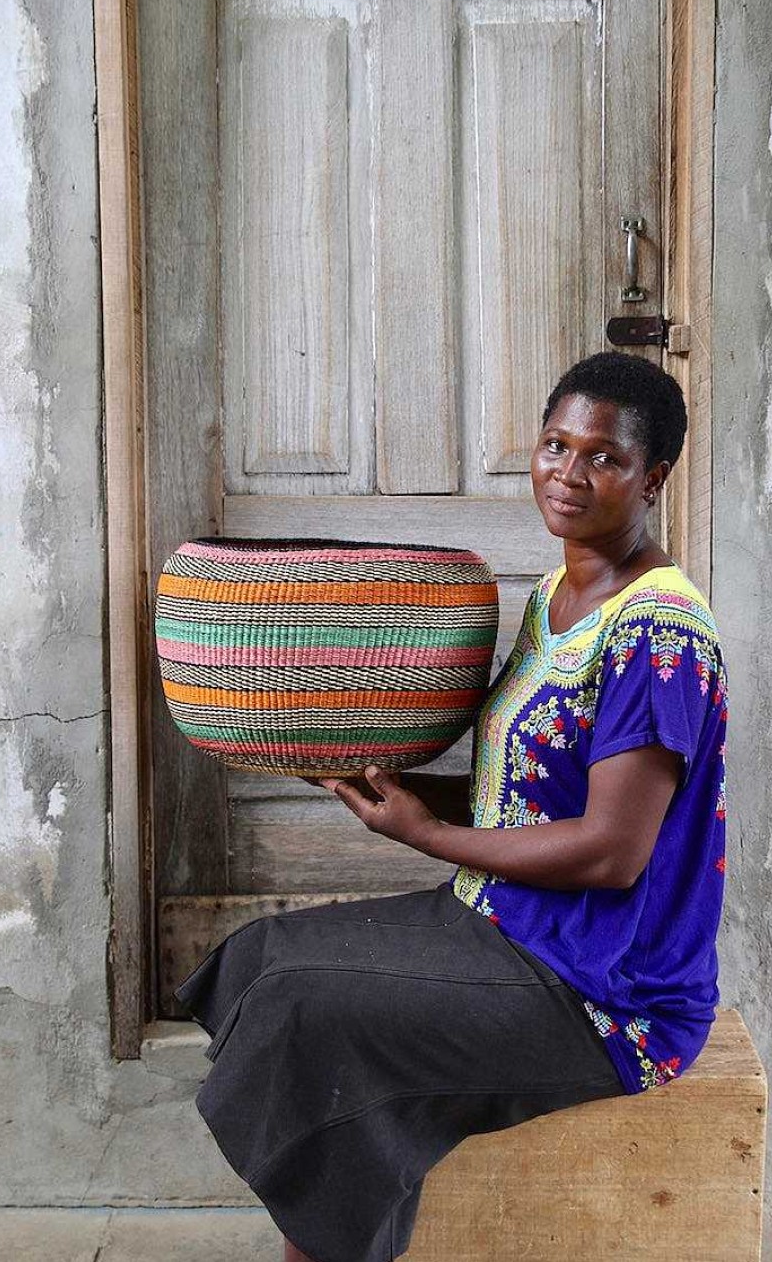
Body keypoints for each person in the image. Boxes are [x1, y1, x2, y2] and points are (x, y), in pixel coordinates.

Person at [174, 351, 728, 1262]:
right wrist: (376, 780)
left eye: (604, 457)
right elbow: (520, 788)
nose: (568, 471)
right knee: (261, 955)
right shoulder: (558, 593)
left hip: (600, 988)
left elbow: (611, 851)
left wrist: (429, 835)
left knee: (303, 1011)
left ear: (652, 476)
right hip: (506, 921)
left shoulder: (657, 629)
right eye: (556, 443)